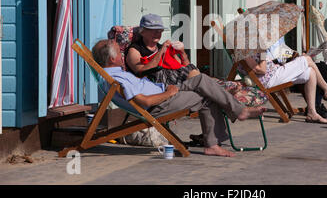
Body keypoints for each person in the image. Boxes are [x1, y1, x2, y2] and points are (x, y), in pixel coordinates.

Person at [92, 39, 266, 157]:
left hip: (163, 93)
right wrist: (168, 93)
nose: (122, 55)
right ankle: (231, 121)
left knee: (203, 83)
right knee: (204, 87)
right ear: (113, 58)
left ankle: (217, 138)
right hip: (160, 103)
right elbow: (144, 102)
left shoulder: (114, 73)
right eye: (119, 53)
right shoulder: (118, 78)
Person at [242, 51, 327, 124]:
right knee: (307, 59)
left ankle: (312, 112)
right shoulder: (243, 51)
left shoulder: (252, 48)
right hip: (269, 79)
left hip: (275, 73)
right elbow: (261, 70)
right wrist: (263, 53)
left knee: (310, 72)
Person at [125, 13, 200, 86]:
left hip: (179, 80)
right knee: (200, 80)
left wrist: (182, 52)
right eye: (153, 30)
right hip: (161, 83)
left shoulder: (162, 47)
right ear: (142, 31)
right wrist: (161, 52)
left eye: (160, 30)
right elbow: (141, 72)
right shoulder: (134, 50)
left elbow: (183, 66)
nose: (157, 33)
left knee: (192, 70)